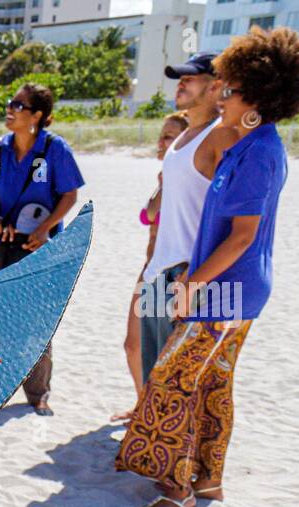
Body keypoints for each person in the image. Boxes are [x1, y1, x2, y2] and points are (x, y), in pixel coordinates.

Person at [117, 27, 299, 507]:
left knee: (170, 380)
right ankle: (208, 481)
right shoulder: (247, 144)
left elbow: (244, 235)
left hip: (229, 289)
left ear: (256, 93)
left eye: (230, 88)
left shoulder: (260, 150)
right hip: (232, 288)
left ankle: (176, 488)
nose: (222, 97)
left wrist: (191, 283)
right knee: (212, 385)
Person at [117, 52, 240, 420]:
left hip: (193, 273)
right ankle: (158, 455)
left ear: (216, 86)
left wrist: (199, 278)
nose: (181, 84)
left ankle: (181, 471)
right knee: (156, 372)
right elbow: (159, 209)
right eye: (179, 79)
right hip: (161, 269)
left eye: (190, 78)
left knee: (188, 379)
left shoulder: (223, 136)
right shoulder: (181, 137)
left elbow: (234, 217)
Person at [0, 83, 84, 415]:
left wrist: (45, 229)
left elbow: (69, 196)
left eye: (18, 104)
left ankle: (38, 392)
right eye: (10, 102)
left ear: (38, 116)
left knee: (36, 324)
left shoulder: (55, 149)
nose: (10, 108)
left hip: (40, 251)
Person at [113, 109, 192, 418]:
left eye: (169, 136)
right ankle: (143, 404)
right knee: (133, 345)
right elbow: (148, 214)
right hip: (150, 269)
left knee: (167, 349)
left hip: (176, 272)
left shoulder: (187, 179)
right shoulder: (166, 176)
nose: (161, 142)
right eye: (161, 135)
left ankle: (163, 414)